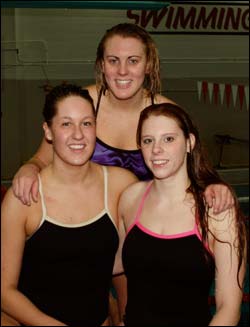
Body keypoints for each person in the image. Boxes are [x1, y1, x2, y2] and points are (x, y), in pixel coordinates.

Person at [12, 23, 233, 213]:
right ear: (101, 64)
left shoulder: (168, 114)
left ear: (148, 65)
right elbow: (41, 160)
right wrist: (28, 169)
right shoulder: (80, 105)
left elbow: (201, 175)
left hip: (144, 228)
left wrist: (215, 187)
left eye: (133, 61)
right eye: (113, 60)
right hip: (87, 222)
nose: (122, 71)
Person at [1, 84, 137, 326]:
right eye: (66, 124)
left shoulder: (120, 185)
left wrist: (213, 187)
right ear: (48, 131)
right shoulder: (23, 198)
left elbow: (168, 202)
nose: (78, 134)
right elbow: (4, 290)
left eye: (86, 123)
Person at [118, 103, 247, 326]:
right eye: (148, 140)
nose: (156, 149)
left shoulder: (217, 211)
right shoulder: (130, 198)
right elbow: (110, 264)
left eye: (168, 139)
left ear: (189, 143)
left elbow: (229, 309)